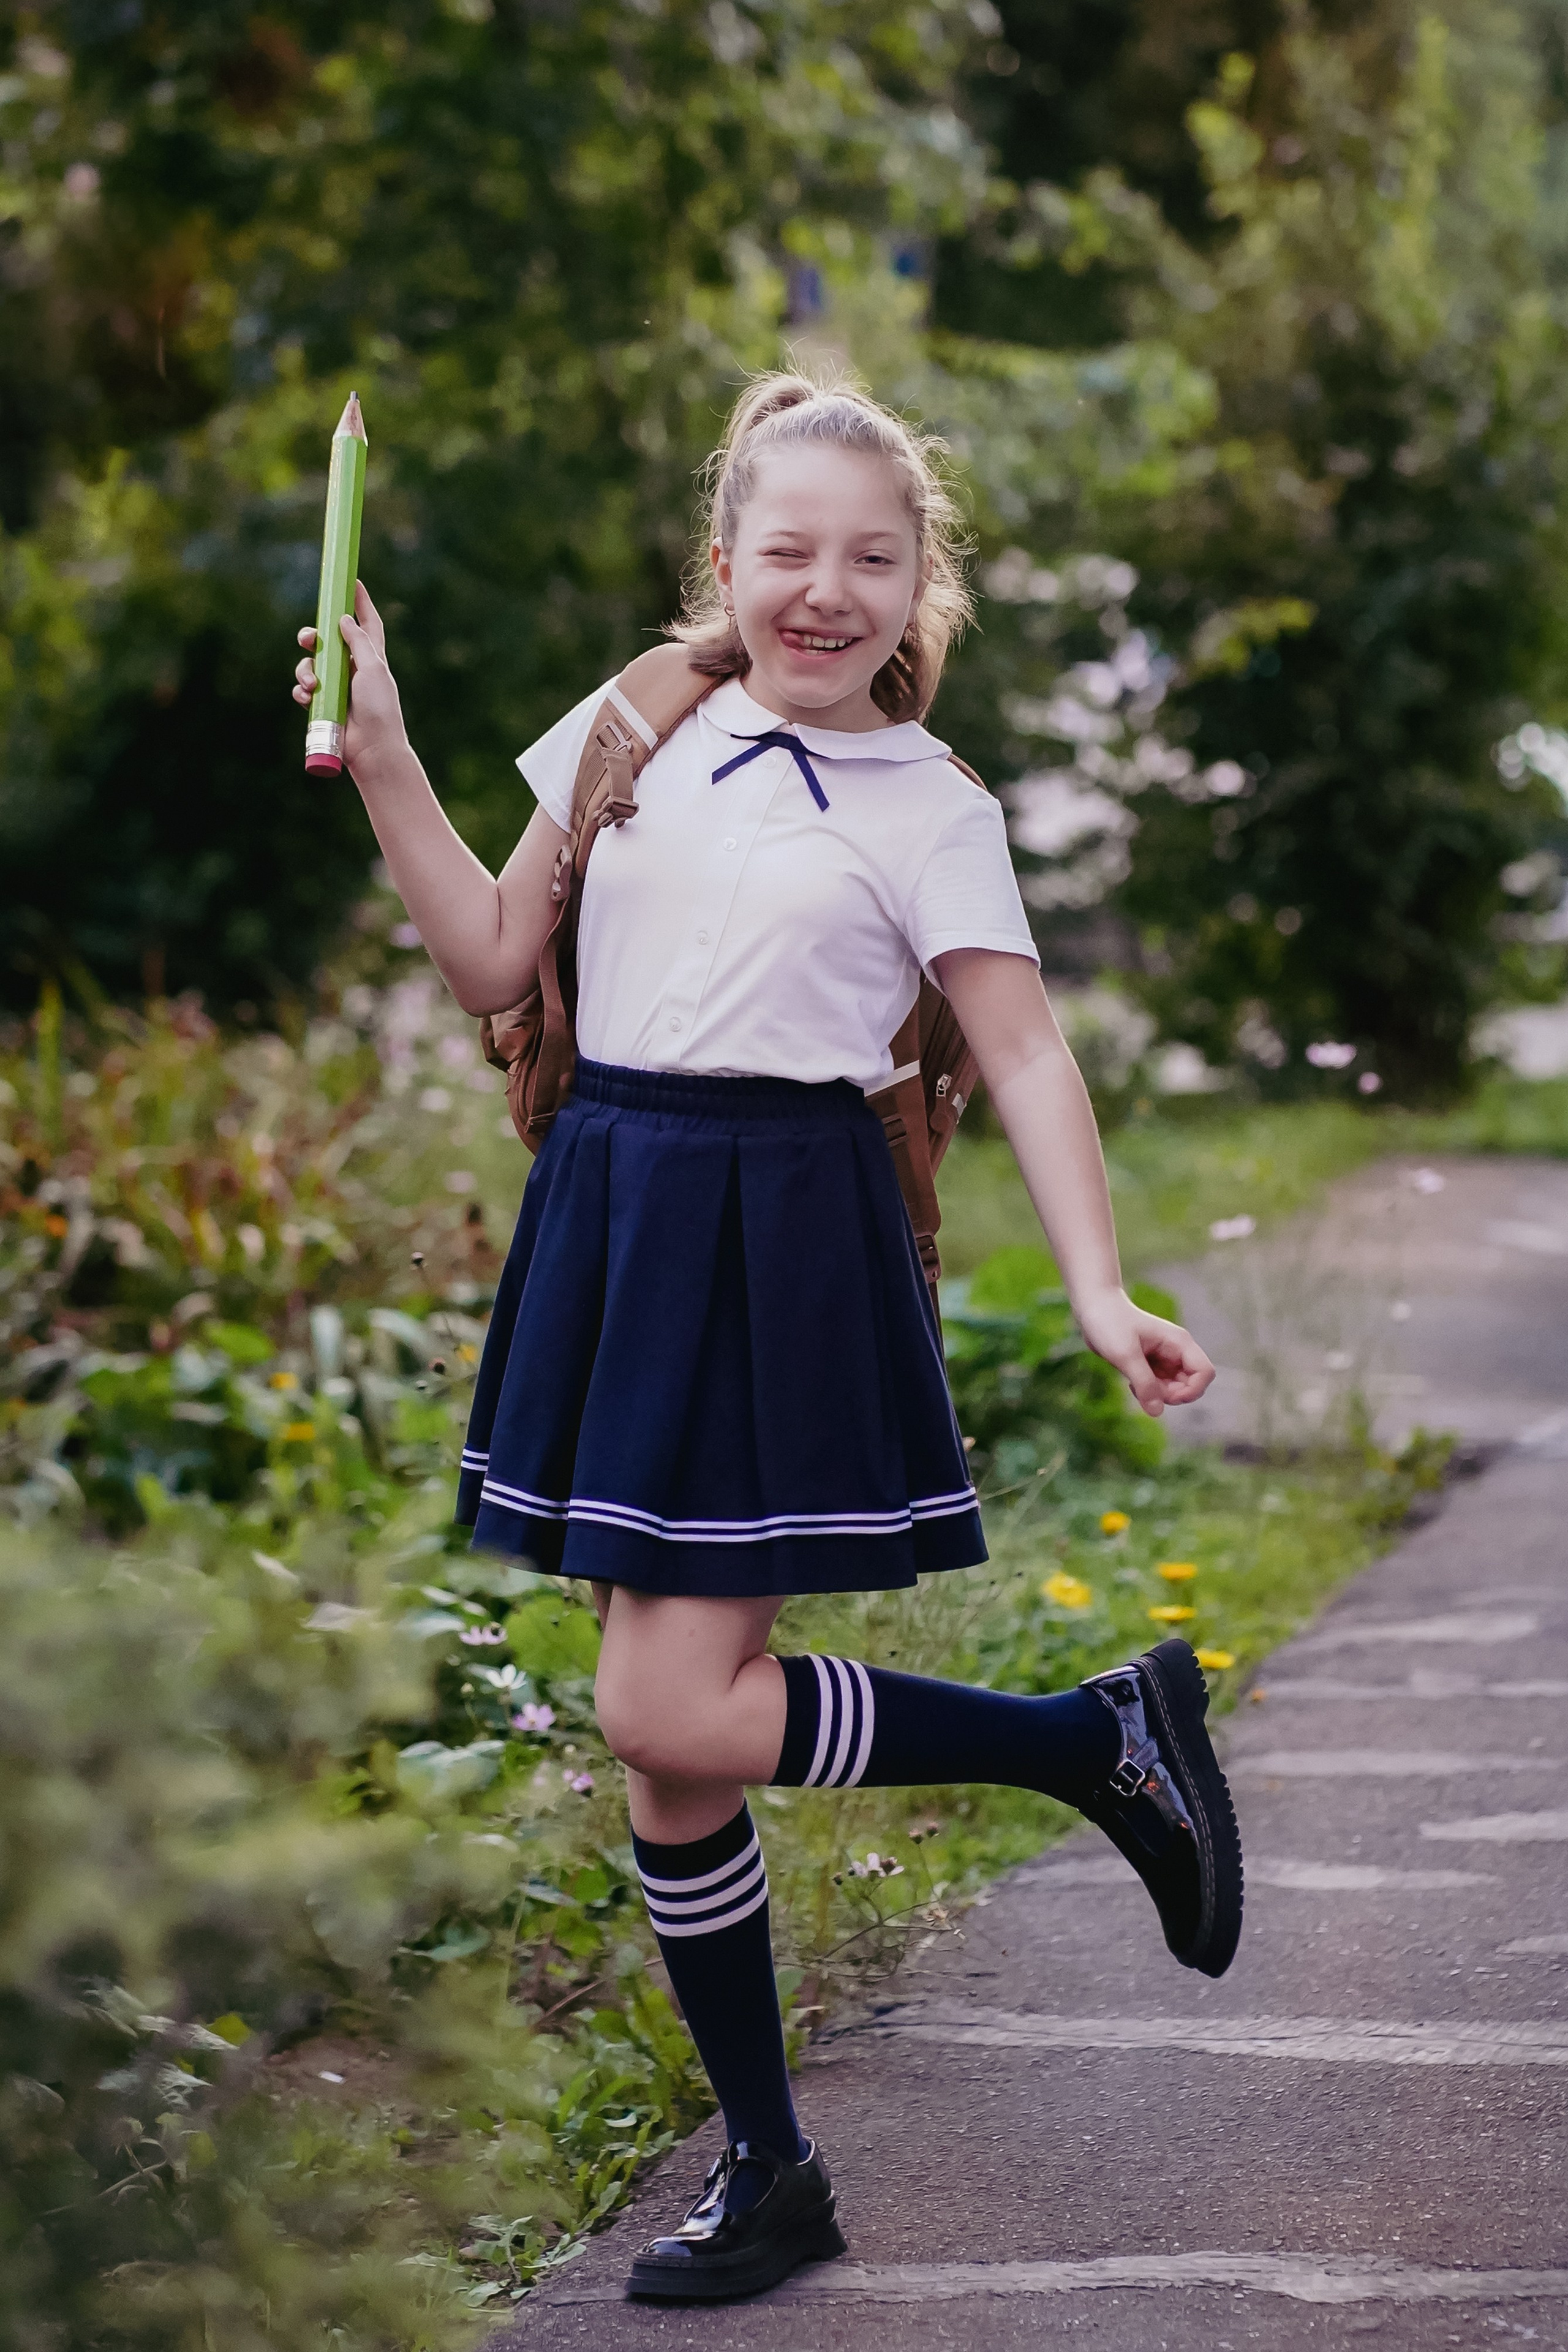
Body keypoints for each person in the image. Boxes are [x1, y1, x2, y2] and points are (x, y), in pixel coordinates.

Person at [290, 371, 1243, 2305]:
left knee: (663, 1711)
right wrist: (389, 750)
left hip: (783, 1231)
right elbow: (489, 956)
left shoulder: (935, 807)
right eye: (788, 551)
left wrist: (1093, 1284)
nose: (827, 590)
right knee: (672, 1769)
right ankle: (777, 2166)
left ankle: (1092, 1741)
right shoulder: (634, 719)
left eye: (871, 560)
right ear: (725, 560)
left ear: (921, 592)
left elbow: (1027, 1046)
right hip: (619, 1210)